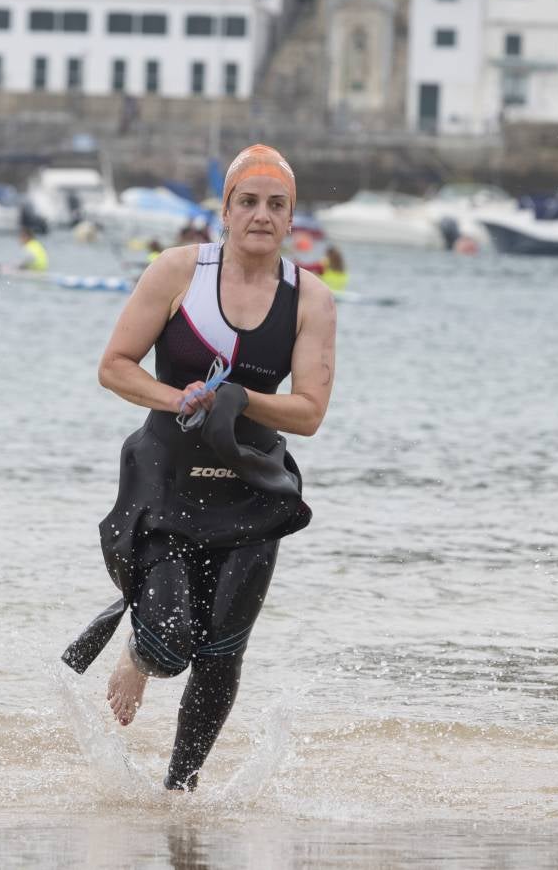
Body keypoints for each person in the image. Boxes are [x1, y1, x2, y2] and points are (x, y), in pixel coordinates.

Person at [60, 144, 337, 791]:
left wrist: (237, 399)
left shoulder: (311, 300)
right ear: (226, 211)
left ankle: (179, 793)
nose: (261, 215)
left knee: (220, 653)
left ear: (291, 218)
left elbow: (310, 412)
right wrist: (179, 397)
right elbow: (115, 366)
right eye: (248, 201)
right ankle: (136, 654)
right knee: (170, 637)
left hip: (251, 490)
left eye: (276, 205)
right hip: (164, 481)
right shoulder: (176, 272)